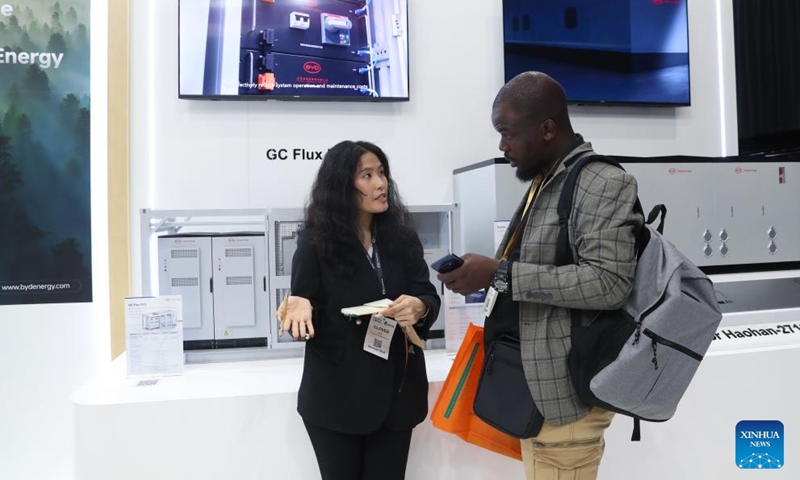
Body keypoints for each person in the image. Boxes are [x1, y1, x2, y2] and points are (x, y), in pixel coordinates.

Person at [438, 72, 643, 479]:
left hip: (566, 404)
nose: (502, 145)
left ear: (547, 129)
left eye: (508, 133)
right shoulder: (548, 181)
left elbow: (609, 282)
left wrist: (502, 273)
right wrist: (489, 275)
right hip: (537, 393)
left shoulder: (603, 182)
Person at [277, 140, 441, 480]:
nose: (381, 184)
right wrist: (302, 304)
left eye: (381, 173)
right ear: (341, 185)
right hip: (338, 399)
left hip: (397, 396)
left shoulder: (403, 237)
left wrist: (420, 306)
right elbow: (302, 309)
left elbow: (427, 293)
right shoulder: (315, 242)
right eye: (367, 175)